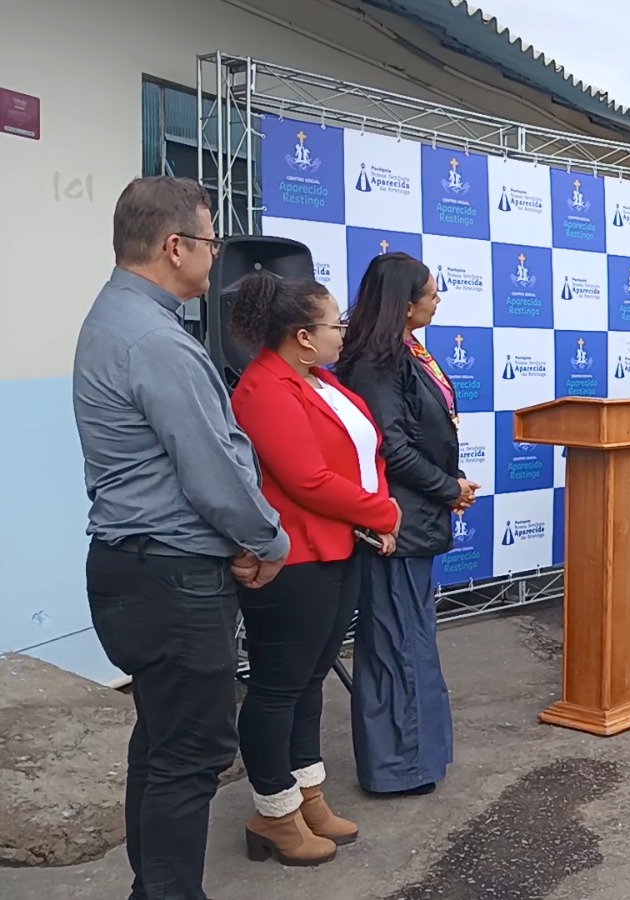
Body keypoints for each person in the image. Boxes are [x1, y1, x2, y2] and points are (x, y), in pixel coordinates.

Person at [73, 176, 290, 900]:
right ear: (175, 246)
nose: (215, 254)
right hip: (171, 577)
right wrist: (268, 539)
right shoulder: (154, 339)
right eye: (210, 240)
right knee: (190, 755)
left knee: (163, 744)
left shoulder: (121, 318)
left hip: (137, 568)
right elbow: (211, 468)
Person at [228, 272, 400, 864]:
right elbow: (306, 479)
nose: (342, 333)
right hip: (295, 561)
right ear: (303, 336)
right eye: (335, 324)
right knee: (278, 687)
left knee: (310, 680)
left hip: (339, 547)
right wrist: (382, 512)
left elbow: (362, 456)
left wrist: (372, 515)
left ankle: (307, 796)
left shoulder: (320, 380)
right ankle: (273, 812)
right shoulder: (264, 389)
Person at [337, 253, 476, 796]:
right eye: (431, 293)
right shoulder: (376, 362)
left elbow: (423, 432)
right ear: (405, 302)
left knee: (411, 639)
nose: (438, 301)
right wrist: (447, 487)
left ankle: (417, 758)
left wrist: (450, 482)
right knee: (396, 643)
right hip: (394, 524)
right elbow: (391, 449)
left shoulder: (406, 352)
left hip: (417, 516)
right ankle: (398, 767)